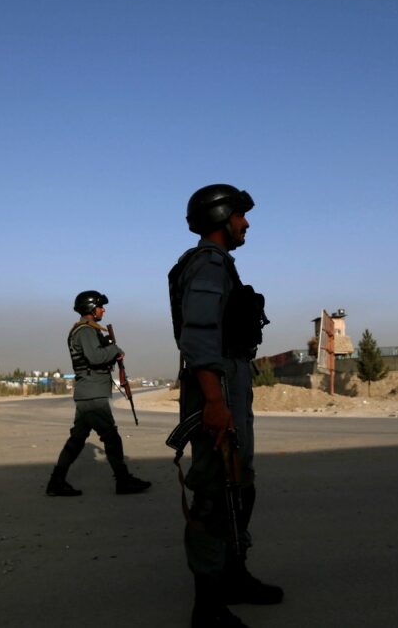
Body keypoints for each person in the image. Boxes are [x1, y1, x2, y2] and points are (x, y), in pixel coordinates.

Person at [168, 185, 283, 627]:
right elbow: (197, 336)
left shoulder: (216, 266)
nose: (246, 223)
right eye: (239, 215)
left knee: (238, 485)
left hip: (228, 384)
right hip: (217, 389)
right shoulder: (209, 265)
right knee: (216, 492)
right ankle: (208, 606)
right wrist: (215, 401)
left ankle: (234, 576)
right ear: (221, 217)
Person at [46, 290, 151, 497]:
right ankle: (123, 481)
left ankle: (56, 482)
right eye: (100, 306)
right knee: (111, 437)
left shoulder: (89, 330)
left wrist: (109, 349)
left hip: (89, 391)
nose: (104, 309)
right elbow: (94, 358)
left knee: (77, 439)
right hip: (92, 394)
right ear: (91, 309)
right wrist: (114, 349)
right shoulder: (85, 331)